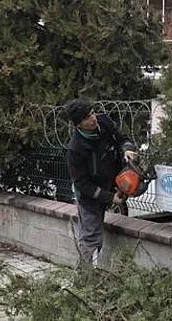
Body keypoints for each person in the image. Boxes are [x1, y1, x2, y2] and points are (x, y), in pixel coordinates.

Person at [65, 98, 137, 267]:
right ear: (79, 124)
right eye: (87, 117)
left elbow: (122, 138)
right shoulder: (76, 149)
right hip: (90, 197)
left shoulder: (104, 122)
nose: (93, 118)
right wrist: (109, 198)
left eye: (92, 113)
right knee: (91, 239)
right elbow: (82, 184)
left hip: (113, 180)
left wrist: (127, 149)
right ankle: (86, 278)